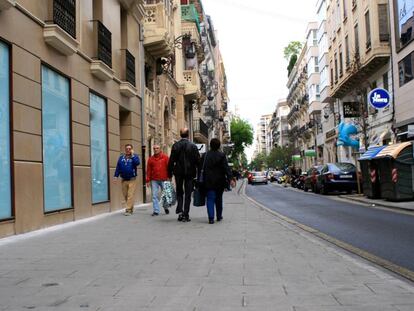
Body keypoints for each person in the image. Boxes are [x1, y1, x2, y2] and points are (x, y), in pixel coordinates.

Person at [199, 138, 235, 224]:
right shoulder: (222, 155)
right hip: (219, 182)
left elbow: (200, 168)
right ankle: (219, 216)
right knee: (219, 199)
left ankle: (211, 218)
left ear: (210, 145)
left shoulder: (205, 155)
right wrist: (231, 179)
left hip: (208, 181)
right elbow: (226, 168)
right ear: (219, 146)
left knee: (210, 199)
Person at [168, 128, 200, 222]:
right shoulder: (193, 146)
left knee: (179, 191)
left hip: (178, 172)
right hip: (190, 173)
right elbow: (197, 160)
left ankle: (180, 210)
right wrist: (199, 171)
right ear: (188, 135)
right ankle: (186, 214)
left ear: (180, 134)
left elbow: (171, 160)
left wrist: (169, 173)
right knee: (188, 194)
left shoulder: (176, 145)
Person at [114, 144, 141, 216]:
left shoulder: (134, 157)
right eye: (127, 149)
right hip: (123, 179)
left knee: (130, 195)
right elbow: (118, 167)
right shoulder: (121, 158)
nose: (128, 150)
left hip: (132, 179)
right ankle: (131, 208)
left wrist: (132, 155)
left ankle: (128, 210)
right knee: (125, 195)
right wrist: (115, 176)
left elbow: (137, 163)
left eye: (129, 149)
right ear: (125, 150)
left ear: (132, 149)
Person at [146, 145, 170, 216]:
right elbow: (148, 170)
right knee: (154, 196)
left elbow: (169, 168)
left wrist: (169, 177)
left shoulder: (165, 158)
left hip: (164, 179)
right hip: (154, 180)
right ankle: (156, 211)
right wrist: (147, 180)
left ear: (160, 149)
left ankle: (165, 207)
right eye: (154, 148)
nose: (155, 149)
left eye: (157, 148)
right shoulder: (150, 159)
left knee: (165, 195)